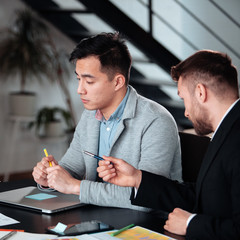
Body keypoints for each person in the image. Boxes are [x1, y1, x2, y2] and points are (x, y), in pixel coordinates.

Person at [97, 50, 240, 239]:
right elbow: (202, 195)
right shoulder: (228, 128)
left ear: (200, 92)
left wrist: (190, 224)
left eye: (183, 99)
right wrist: (137, 178)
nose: (186, 112)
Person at [32, 32, 182, 210]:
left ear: (118, 82)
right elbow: (71, 167)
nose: (80, 90)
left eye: (89, 81)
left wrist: (74, 186)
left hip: (146, 224)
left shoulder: (157, 121)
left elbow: (146, 198)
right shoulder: (90, 115)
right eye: (79, 79)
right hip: (95, 214)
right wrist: (49, 177)